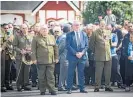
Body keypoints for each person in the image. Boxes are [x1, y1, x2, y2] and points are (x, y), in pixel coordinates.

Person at [31, 24, 58, 95]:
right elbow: (33, 50)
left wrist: (56, 57)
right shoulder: (36, 38)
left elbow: (55, 48)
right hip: (41, 61)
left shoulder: (52, 37)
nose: (44, 30)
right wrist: (34, 59)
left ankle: (52, 90)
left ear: (48, 30)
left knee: (51, 76)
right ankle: (42, 90)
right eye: (43, 29)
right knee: (41, 76)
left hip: (51, 60)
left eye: (46, 29)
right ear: (40, 30)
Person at [89, 20, 113, 92]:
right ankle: (97, 86)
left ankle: (107, 86)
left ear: (105, 25)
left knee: (108, 72)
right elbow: (91, 44)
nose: (103, 25)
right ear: (99, 25)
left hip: (108, 55)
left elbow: (110, 43)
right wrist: (96, 51)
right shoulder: (95, 33)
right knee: (98, 72)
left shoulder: (108, 32)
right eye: (101, 24)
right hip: (99, 55)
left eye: (104, 24)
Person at [66, 21, 88, 94]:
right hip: (72, 56)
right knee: (70, 72)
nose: (77, 26)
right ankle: (69, 88)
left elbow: (86, 45)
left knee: (81, 73)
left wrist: (82, 53)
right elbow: (68, 46)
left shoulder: (84, 34)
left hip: (82, 57)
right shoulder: (69, 34)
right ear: (72, 26)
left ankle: (82, 88)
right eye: (75, 25)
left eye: (78, 25)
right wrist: (75, 53)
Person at [13, 24, 32, 91]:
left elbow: (33, 45)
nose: (24, 29)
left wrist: (30, 50)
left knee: (27, 71)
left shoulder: (31, 35)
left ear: (28, 28)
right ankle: (19, 85)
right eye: (23, 28)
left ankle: (26, 84)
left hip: (28, 56)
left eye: (26, 28)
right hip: (20, 56)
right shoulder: (17, 36)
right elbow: (14, 46)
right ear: (21, 29)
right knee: (19, 71)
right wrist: (20, 51)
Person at [58, 24, 71, 91]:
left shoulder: (65, 36)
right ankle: (60, 86)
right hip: (64, 57)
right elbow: (60, 48)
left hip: (66, 57)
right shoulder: (64, 37)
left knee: (66, 72)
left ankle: (65, 84)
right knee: (63, 72)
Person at [125, 24, 133, 92]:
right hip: (128, 59)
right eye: (129, 26)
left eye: (131, 26)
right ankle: (127, 85)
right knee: (128, 73)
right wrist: (127, 56)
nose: (130, 28)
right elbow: (124, 49)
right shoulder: (126, 36)